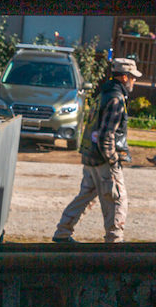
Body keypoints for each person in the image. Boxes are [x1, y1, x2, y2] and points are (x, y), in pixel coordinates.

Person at [53, 57, 141, 244]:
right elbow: (106, 134)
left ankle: (62, 233)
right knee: (117, 200)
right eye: (133, 77)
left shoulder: (104, 93)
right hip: (103, 161)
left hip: (90, 156)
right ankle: (114, 242)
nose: (135, 81)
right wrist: (113, 159)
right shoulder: (116, 99)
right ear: (124, 77)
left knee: (85, 196)